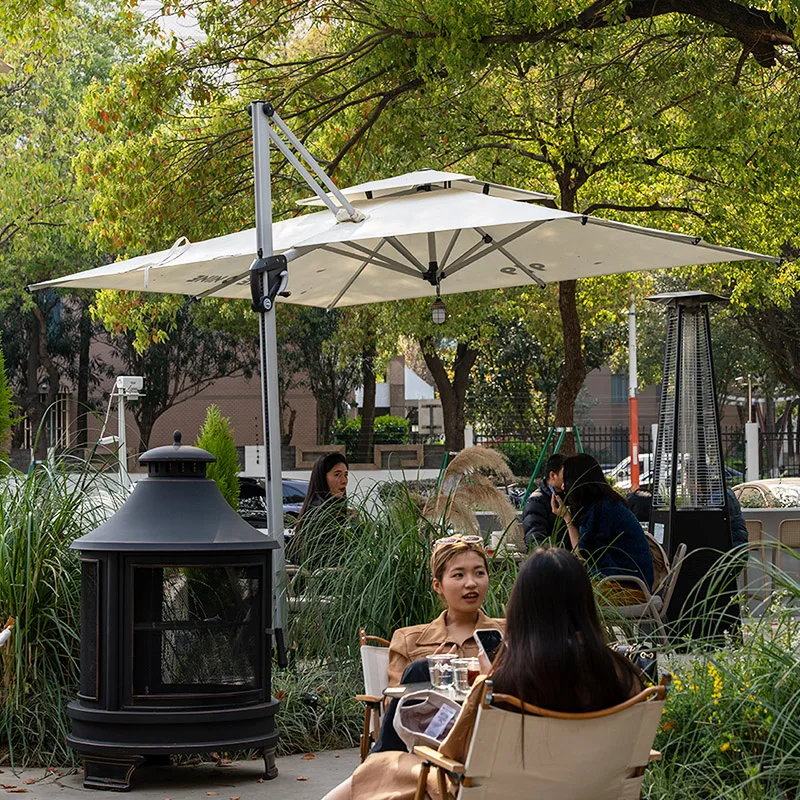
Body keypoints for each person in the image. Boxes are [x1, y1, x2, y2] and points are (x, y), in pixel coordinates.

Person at [322, 547, 644, 800]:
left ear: (522, 609)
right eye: (458, 575)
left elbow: (456, 756)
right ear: (586, 602)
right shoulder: (625, 677)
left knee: (382, 767)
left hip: (510, 792)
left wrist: (485, 683)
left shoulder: (503, 684)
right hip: (589, 790)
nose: (470, 583)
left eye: (478, 573)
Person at [553, 453, 654, 602]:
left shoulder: (602, 510)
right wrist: (567, 517)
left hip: (628, 589)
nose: (563, 487)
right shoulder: (603, 505)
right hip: (624, 584)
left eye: (565, 480)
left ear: (577, 482)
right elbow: (583, 553)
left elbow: (583, 554)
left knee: (558, 595)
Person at [288, 452, 352, 567]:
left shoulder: (329, 508)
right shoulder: (320, 513)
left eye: (346, 475)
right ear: (322, 478)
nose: (344, 481)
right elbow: (329, 557)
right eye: (337, 475)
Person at [521, 453, 567, 549]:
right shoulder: (536, 501)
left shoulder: (570, 496)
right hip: (552, 559)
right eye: (566, 474)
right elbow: (535, 539)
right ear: (553, 475)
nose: (570, 478)